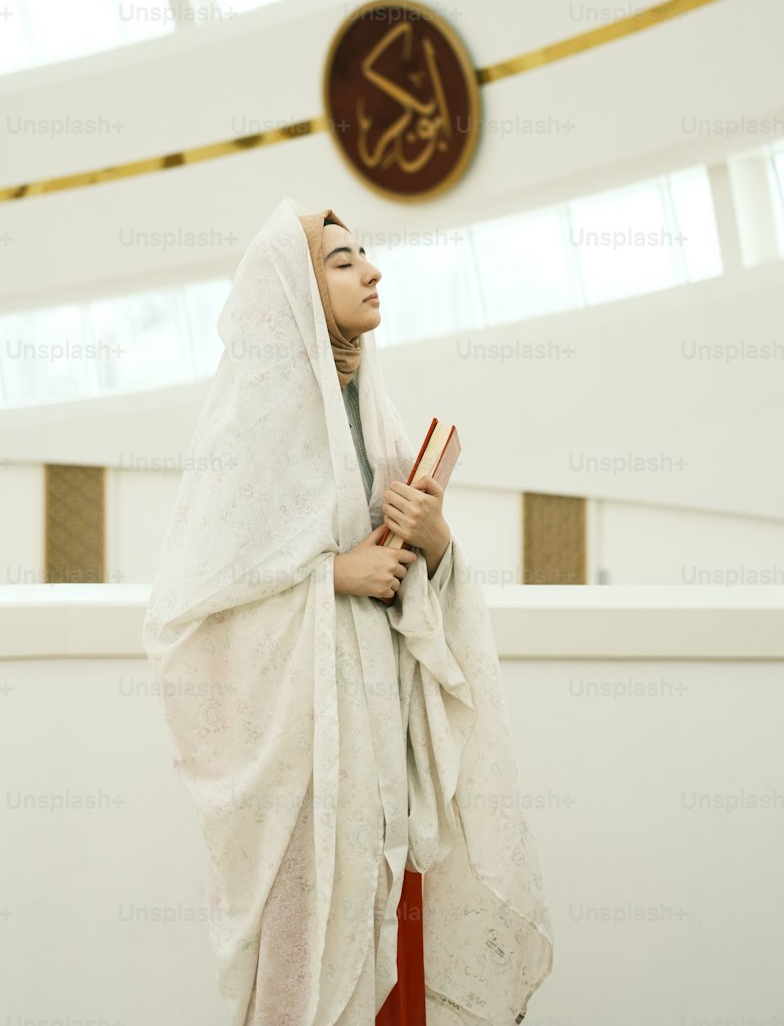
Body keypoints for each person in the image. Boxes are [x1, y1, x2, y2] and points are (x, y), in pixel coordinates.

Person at [142, 196, 553, 1025]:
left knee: (389, 975)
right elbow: (186, 620)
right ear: (293, 290)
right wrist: (331, 575)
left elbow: (415, 576)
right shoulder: (251, 428)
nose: (371, 270)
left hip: (382, 760)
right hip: (304, 777)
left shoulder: (375, 409)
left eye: (363, 254)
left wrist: (432, 542)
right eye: (341, 260)